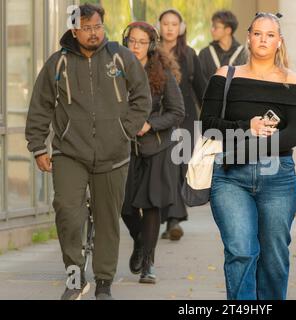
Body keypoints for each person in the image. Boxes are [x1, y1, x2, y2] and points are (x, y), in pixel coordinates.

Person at [25, 3, 152, 300]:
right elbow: (40, 106)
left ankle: (104, 280)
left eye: (97, 26)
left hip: (114, 153)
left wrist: (125, 130)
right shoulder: (58, 63)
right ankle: (74, 276)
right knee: (68, 213)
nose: (94, 33)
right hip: (69, 152)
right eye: (86, 28)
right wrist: (37, 146)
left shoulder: (121, 57)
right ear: (73, 29)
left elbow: (142, 97)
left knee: (108, 219)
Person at [200, 12, 296, 300]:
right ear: (248, 38)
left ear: (279, 42)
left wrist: (247, 150)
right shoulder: (225, 76)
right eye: (258, 33)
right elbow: (207, 125)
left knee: (274, 255)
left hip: (278, 178)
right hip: (229, 178)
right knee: (240, 251)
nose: (263, 39)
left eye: (270, 35)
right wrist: (245, 126)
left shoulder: (294, 81)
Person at [120, 22, 185, 284]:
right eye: (132, 41)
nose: (135, 46)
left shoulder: (162, 74)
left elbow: (177, 112)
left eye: (141, 42)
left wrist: (150, 124)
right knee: (123, 206)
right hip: (123, 148)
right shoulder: (114, 70)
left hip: (156, 147)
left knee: (151, 205)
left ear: (151, 45)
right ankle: (140, 242)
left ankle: (148, 262)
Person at [158, 9, 207, 241]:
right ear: (159, 27)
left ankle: (174, 220)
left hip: (186, 120)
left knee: (180, 168)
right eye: (165, 23)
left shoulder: (189, 54)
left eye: (174, 24)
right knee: (164, 169)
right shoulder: (152, 52)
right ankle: (169, 218)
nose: (169, 28)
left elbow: (200, 89)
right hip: (159, 118)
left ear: (181, 28)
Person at [199, 10, 248, 81]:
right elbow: (201, 83)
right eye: (212, 26)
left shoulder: (243, 53)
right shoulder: (205, 53)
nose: (212, 30)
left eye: (216, 27)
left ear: (228, 30)